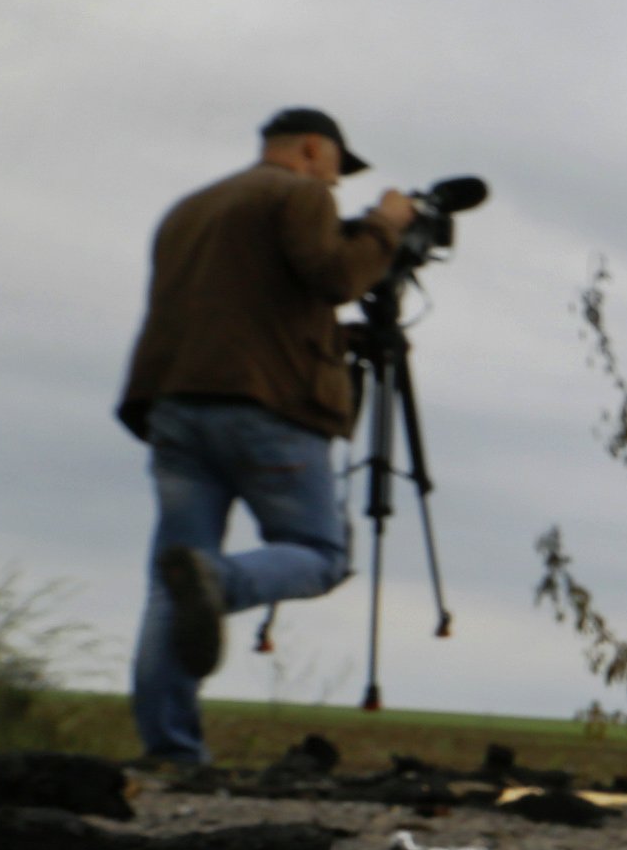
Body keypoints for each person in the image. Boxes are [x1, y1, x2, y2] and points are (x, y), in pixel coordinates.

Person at [117, 110, 413, 764]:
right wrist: (385, 227)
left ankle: (170, 753)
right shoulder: (300, 193)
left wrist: (338, 340)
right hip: (266, 408)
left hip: (174, 404)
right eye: (336, 165)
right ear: (313, 148)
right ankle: (219, 582)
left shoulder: (189, 208)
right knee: (318, 551)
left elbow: (244, 309)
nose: (336, 182)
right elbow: (336, 277)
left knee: (171, 582)